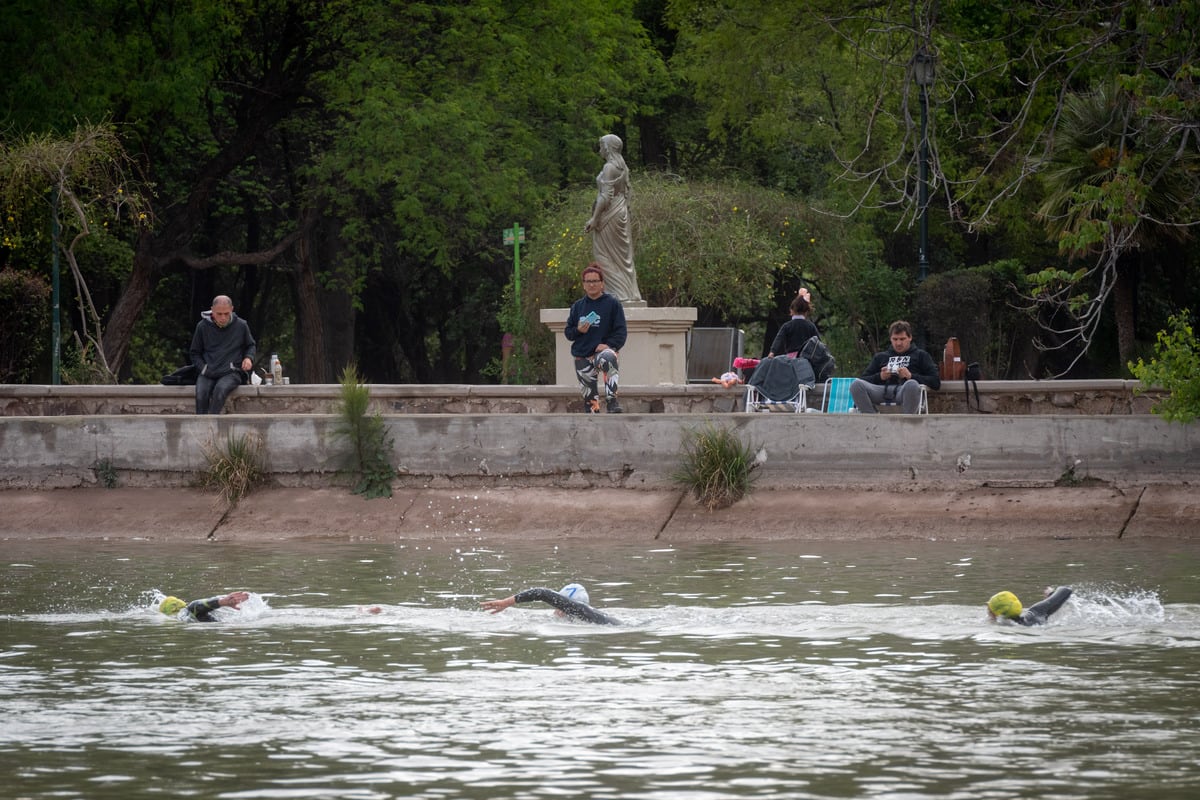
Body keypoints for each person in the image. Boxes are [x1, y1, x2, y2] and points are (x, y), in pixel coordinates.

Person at [584, 133, 642, 305]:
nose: (600, 149)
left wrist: (594, 218)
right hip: (620, 212)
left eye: (602, 145)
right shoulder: (623, 167)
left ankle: (619, 294)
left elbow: (606, 195)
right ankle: (628, 292)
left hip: (609, 215)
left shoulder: (610, 167)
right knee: (622, 256)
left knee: (603, 254)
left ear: (608, 148)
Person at [565, 264, 627, 414]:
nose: (591, 284)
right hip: (583, 354)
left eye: (595, 281)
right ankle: (594, 416)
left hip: (602, 352)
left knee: (609, 357)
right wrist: (578, 330)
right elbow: (568, 333)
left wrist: (608, 345)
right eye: (588, 281)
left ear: (602, 283)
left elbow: (621, 332)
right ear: (583, 285)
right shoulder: (577, 306)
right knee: (591, 404)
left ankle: (612, 400)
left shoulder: (612, 303)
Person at [849, 320, 941, 413]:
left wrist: (910, 376)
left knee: (912, 384)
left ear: (910, 338)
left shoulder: (921, 355)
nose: (898, 343)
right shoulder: (880, 357)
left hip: (904, 390)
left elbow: (935, 382)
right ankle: (872, 418)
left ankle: (908, 422)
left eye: (902, 339)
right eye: (895, 339)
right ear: (890, 339)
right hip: (881, 390)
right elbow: (863, 379)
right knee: (856, 385)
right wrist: (880, 376)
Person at [189, 295, 256, 414]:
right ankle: (201, 427)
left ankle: (211, 426)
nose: (223, 317)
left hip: (231, 372)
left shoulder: (241, 325)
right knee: (201, 395)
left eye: (226, 313)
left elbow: (250, 345)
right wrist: (204, 369)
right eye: (219, 314)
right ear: (212, 311)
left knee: (220, 390)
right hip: (208, 372)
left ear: (232, 309)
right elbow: (194, 353)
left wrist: (248, 358)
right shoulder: (202, 326)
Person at [481, 582, 619, 625]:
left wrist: (506, 602)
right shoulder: (590, 616)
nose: (556, 610)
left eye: (559, 606)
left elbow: (542, 593)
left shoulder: (581, 612)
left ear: (567, 607)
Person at [766, 294, 819, 358]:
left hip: (791, 359)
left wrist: (772, 352)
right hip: (806, 358)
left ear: (791, 310)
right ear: (806, 312)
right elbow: (818, 342)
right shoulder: (810, 326)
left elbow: (779, 339)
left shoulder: (787, 326)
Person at [987, 586, 1073, 626]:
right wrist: (1051, 595)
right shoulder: (1034, 613)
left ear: (995, 614)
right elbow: (1066, 590)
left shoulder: (1000, 627)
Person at [159, 591, 250, 622]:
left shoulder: (185, 613)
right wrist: (221, 601)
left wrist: (221, 602)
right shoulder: (188, 614)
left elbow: (195, 606)